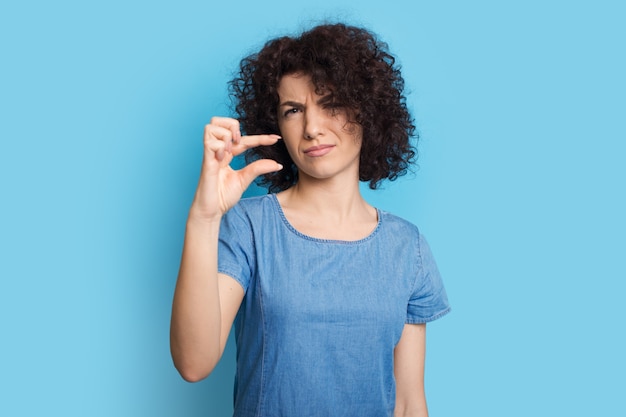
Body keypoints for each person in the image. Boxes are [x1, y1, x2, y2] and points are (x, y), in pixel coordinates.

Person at [170, 23, 450, 417]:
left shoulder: (408, 248)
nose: (312, 128)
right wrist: (203, 217)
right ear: (276, 126)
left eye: (331, 103)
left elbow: (407, 403)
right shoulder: (249, 228)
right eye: (293, 110)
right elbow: (193, 363)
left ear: (367, 110)